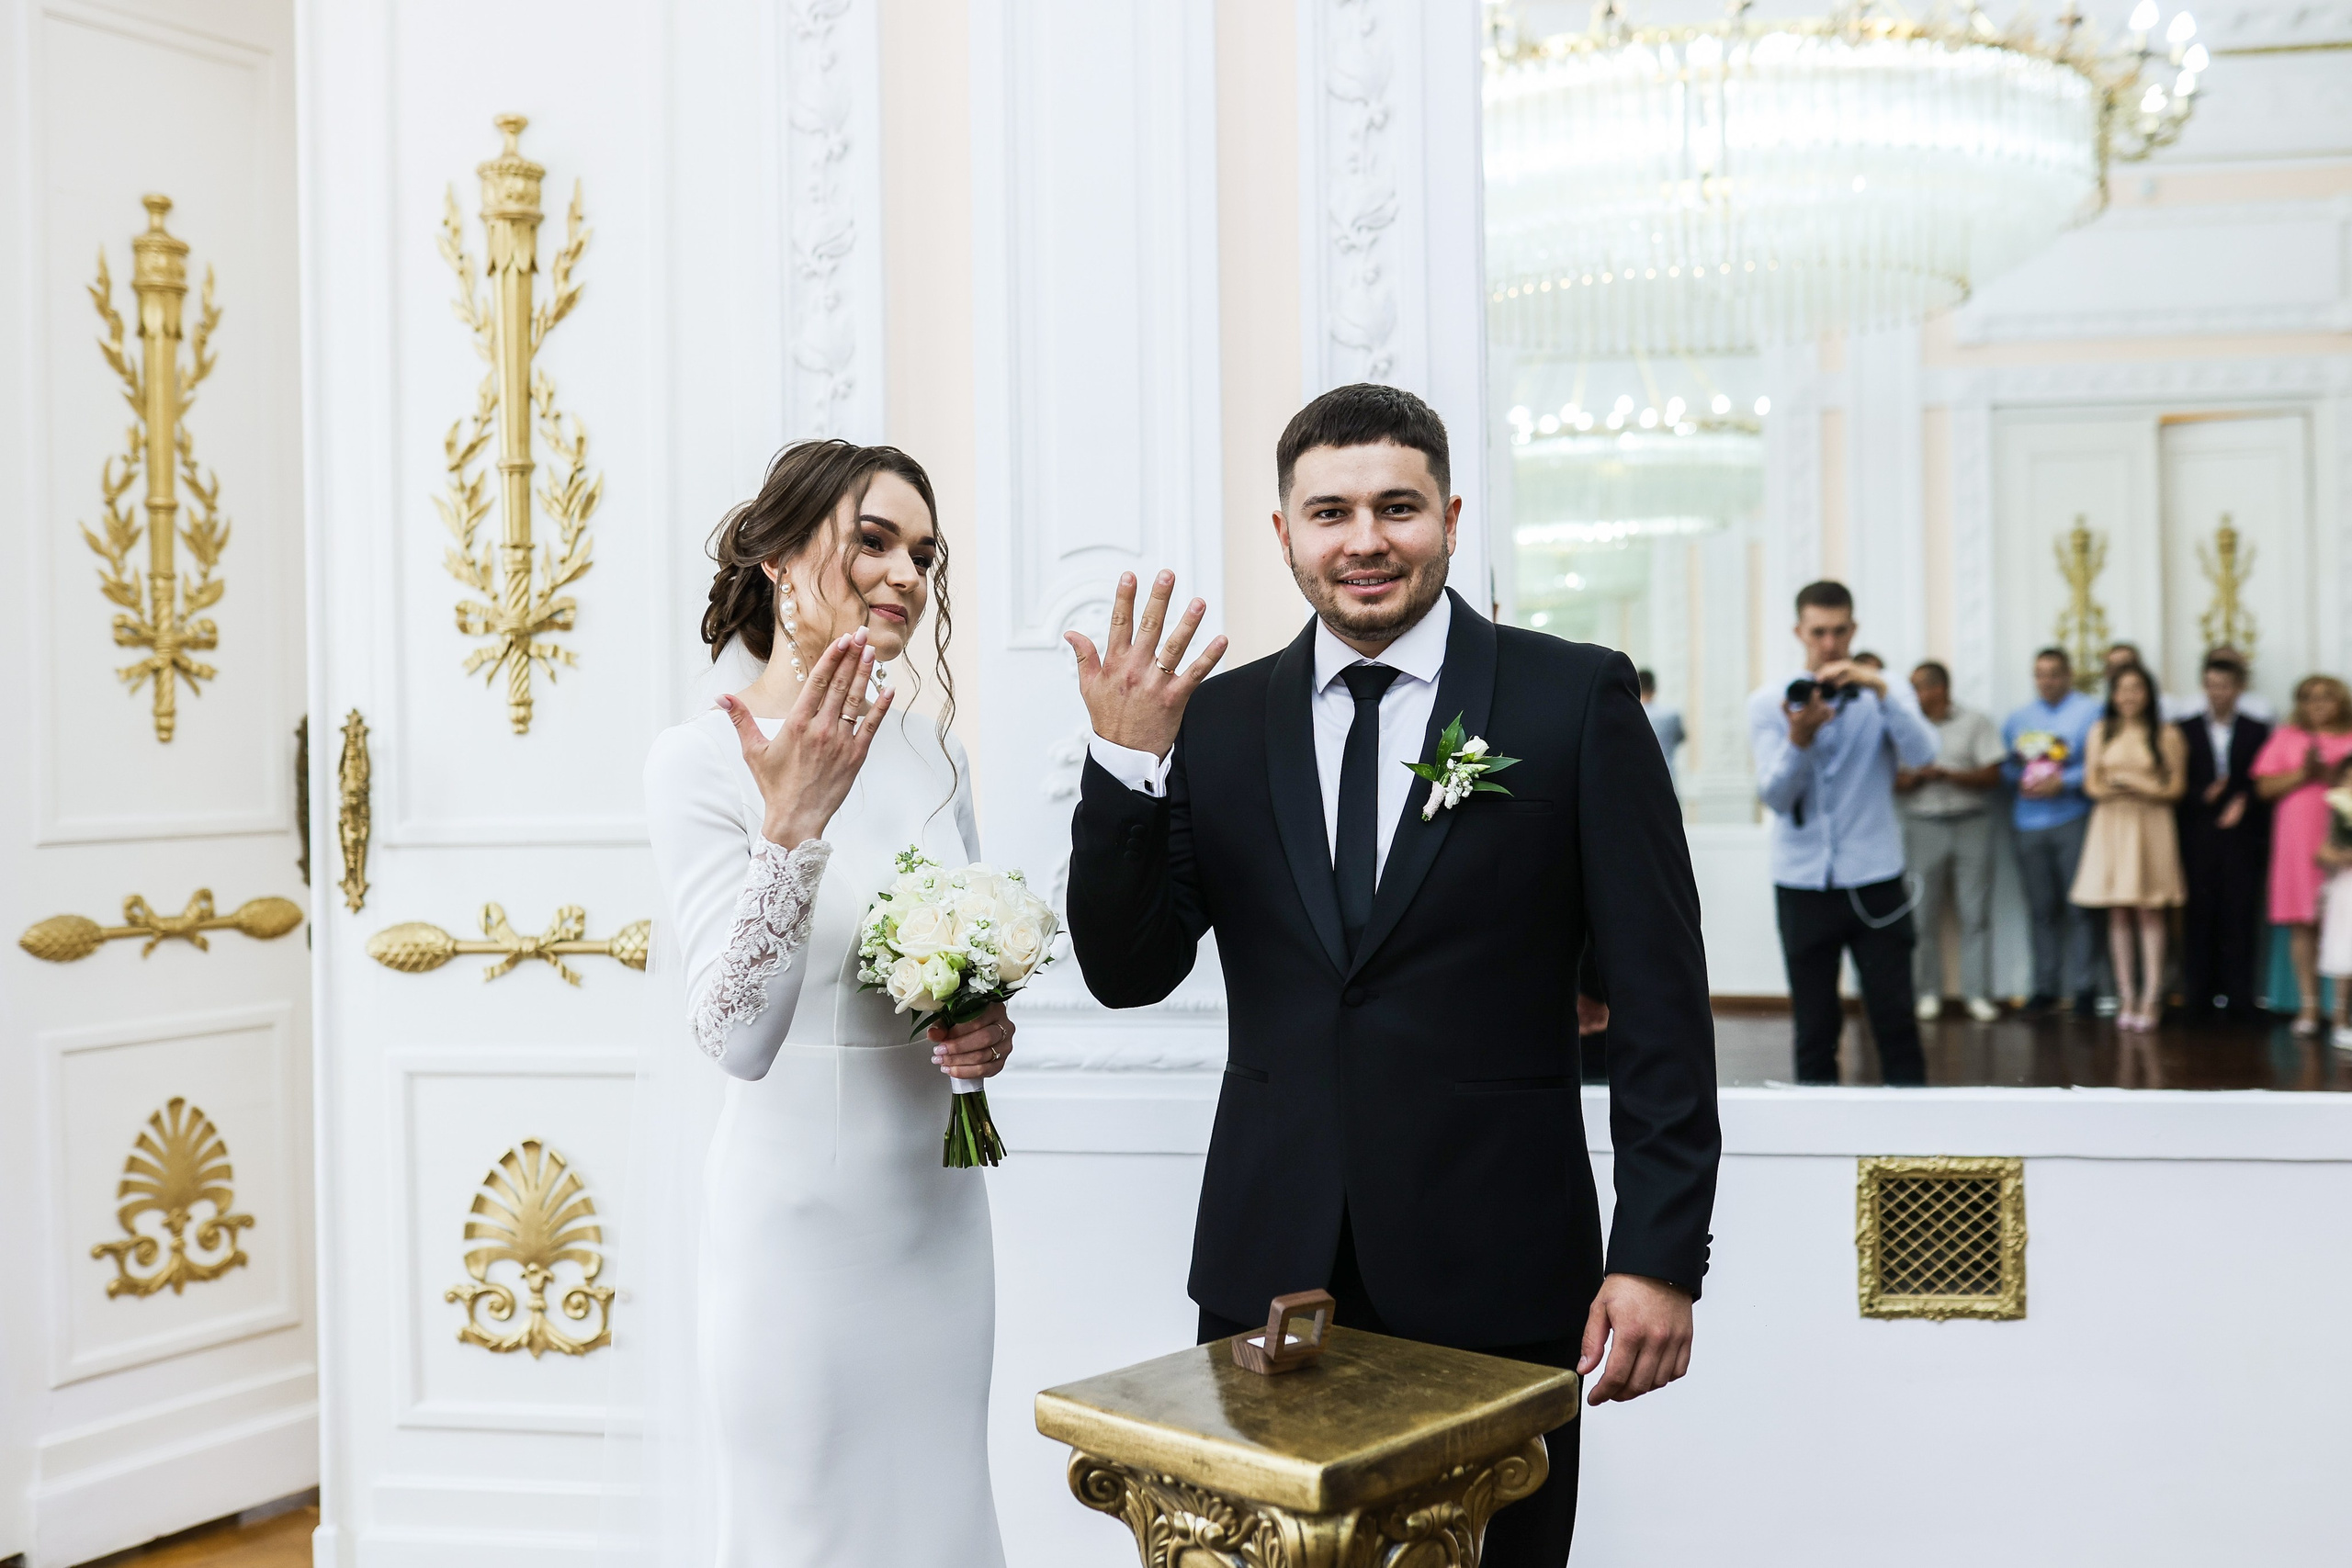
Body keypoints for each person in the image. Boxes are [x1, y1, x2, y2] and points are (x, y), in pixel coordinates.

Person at [1064, 384, 1719, 1568]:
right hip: (1269, 1270)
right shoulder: (1215, 722)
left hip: (1503, 1267)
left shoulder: (1569, 699)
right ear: (1285, 536)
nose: (1364, 539)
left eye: (1396, 507)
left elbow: (1663, 998)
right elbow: (1127, 973)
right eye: (1330, 512)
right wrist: (1122, 763)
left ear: (1450, 517)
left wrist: (1658, 1254)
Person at [639, 441, 1011, 1567]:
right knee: (810, 1533)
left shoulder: (932, 750)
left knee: (942, 1523)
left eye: (923, 553)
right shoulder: (699, 759)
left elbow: (963, 961)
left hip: (938, 1229)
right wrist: (789, 829)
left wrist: (986, 1031)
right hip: (798, 1242)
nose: (905, 574)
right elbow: (735, 1039)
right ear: (774, 555)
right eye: (873, 541)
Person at [1747, 581, 1939, 1084]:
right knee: (1814, 1026)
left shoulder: (1886, 689)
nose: (1829, 644)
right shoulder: (1771, 703)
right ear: (1799, 632)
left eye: (1838, 631)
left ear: (1853, 629)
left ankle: (1914, 1146)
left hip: (1875, 875)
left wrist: (1878, 689)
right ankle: (1816, 1143)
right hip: (1802, 883)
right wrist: (1799, 741)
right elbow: (1774, 798)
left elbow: (1923, 756)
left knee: (1895, 1017)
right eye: (1818, 632)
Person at [2070, 663, 2188, 1030]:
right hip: (2111, 822)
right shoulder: (2100, 731)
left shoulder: (2166, 733)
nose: (2129, 697)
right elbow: (2091, 783)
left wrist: (2142, 789)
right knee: (2118, 910)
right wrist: (2114, 788)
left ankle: (2152, 995)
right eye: (2121, 690)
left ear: (2149, 694)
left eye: (2136, 689)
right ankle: (2127, 995)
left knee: (2150, 909)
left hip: (2151, 822)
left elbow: (2175, 788)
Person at [1894, 660, 2005, 1023]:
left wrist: (1952, 776)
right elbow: (1889, 780)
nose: (1913, 695)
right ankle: (1927, 993)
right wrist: (1915, 779)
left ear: (1939, 689)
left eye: (1919, 687)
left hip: (1972, 822)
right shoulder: (1904, 724)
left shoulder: (1976, 721)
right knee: (1922, 915)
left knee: (1975, 913)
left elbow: (1993, 774)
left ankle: (1976, 995)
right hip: (1922, 823)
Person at [2004, 649, 2105, 1015]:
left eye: (2054, 674)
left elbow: (2099, 764)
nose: (2047, 681)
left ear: (2068, 675)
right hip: (2028, 822)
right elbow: (2007, 768)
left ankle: (2085, 988)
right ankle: (2044, 987)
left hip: (2073, 817)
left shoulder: (2091, 712)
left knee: (2081, 907)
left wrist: (2063, 781)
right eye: (2040, 674)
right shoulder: (2019, 719)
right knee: (2041, 908)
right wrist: (2022, 780)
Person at [2253, 674, 2352, 1034]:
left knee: (2344, 923)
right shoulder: (2286, 737)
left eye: (2326, 697)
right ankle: (2309, 1007)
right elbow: (2263, 787)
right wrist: (2303, 774)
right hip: (2297, 839)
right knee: (2303, 921)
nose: (2318, 705)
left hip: (2342, 842)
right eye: (2309, 698)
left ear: (2341, 701)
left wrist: (2331, 775)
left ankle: (2341, 1011)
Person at [2176, 650, 2272, 1019]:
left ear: (2239, 688)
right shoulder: (2184, 729)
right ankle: (2198, 998)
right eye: (2212, 686)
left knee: (2239, 914)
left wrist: (2242, 800)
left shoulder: (2255, 728)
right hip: (2198, 833)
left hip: (2241, 835)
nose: (2219, 693)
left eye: (2226, 686)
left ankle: (2241, 998)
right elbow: (2175, 783)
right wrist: (2203, 795)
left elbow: (2259, 776)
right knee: (2199, 914)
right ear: (2204, 687)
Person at [2314, 758, 2352, 1049]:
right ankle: (2340, 1019)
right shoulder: (2334, 814)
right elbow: (2322, 853)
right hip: (2345, 888)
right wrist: (2341, 856)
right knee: (2344, 952)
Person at [1638, 666, 1686, 787]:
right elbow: (1681, 737)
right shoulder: (1671, 714)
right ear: (1654, 688)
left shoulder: (1628, 715)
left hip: (1638, 778)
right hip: (1667, 776)